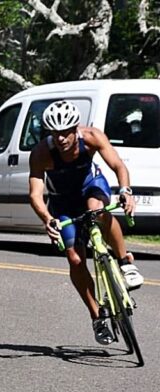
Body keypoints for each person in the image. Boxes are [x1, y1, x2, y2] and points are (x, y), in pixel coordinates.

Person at [29, 100, 143, 345]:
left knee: (98, 210)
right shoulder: (41, 153)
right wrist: (47, 219)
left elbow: (117, 165)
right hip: (62, 203)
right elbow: (35, 194)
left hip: (90, 187)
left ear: (75, 128)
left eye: (66, 132)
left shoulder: (91, 137)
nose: (61, 138)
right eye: (55, 133)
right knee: (75, 258)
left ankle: (124, 262)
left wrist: (125, 190)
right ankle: (97, 317)